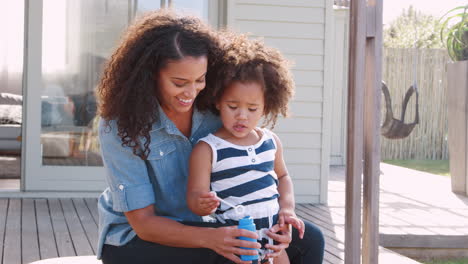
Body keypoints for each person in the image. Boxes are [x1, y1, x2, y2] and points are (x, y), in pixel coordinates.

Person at [96, 9, 324, 264]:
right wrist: (212, 238)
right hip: (136, 240)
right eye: (179, 82)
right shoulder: (120, 125)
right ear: (150, 75)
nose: (190, 92)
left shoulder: (216, 107)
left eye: (200, 80)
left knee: (310, 239)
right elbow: (145, 225)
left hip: (210, 223)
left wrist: (278, 221)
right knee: (234, 252)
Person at [186, 34, 305, 264]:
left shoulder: (270, 142)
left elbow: (283, 176)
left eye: (252, 108)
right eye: (233, 106)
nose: (242, 115)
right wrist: (201, 203)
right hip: (236, 244)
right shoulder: (208, 149)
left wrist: (288, 209)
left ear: (265, 107)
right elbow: (194, 196)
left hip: (273, 241)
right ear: (218, 101)